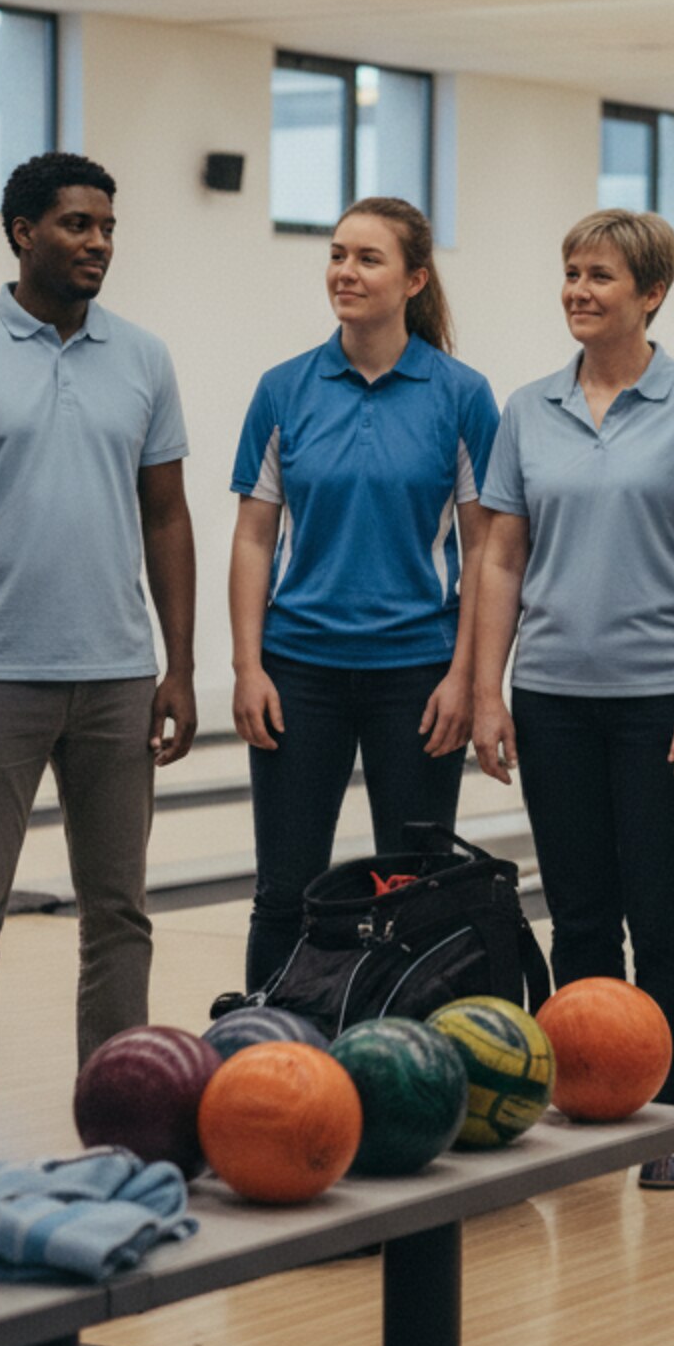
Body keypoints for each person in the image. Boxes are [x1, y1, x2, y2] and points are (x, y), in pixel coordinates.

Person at [0, 152, 196, 1172]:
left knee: (120, 910)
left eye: (106, 225)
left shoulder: (143, 356)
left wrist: (179, 662)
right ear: (21, 230)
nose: (97, 242)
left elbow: (166, 514)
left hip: (114, 670)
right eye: (74, 224)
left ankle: (119, 1107)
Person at [471, 211, 674, 1189]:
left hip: (662, 694)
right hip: (552, 695)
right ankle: (588, 1104)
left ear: (650, 292)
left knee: (666, 920)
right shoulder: (526, 408)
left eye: (600, 276)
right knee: (578, 917)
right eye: (570, 274)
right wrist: (488, 690)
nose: (579, 290)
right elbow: (500, 553)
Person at [231, 197, 498, 989]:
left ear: (414, 278)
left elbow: (486, 546)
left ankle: (413, 1053)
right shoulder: (284, 389)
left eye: (368, 258)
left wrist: (463, 676)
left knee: (416, 889)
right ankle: (264, 1048)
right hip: (297, 671)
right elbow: (253, 537)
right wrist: (248, 667)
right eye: (338, 254)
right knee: (284, 889)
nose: (345, 271)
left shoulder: (461, 395)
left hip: (416, 676)